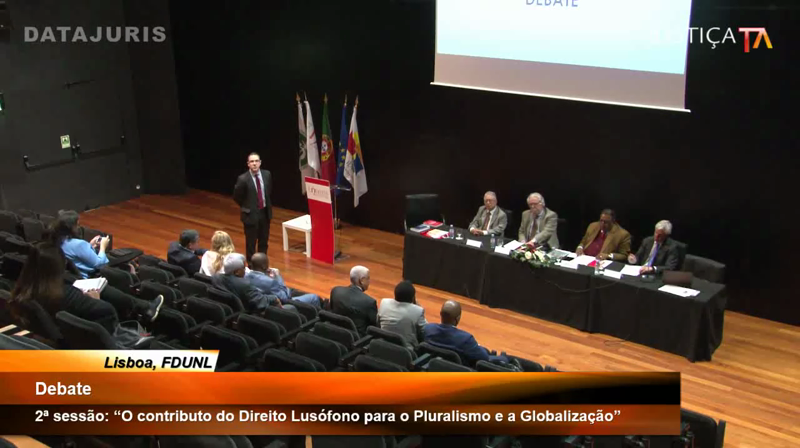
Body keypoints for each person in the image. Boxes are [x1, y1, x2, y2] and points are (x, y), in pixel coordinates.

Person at [9, 242, 163, 348]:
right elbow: (106, 312)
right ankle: (145, 309)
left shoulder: (23, 290)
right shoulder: (62, 294)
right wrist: (95, 300)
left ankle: (144, 308)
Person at [423, 300, 507, 366]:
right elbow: (484, 358)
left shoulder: (428, 329)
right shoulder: (465, 339)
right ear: (458, 319)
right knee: (504, 358)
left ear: (440, 314)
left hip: (435, 367)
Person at [211, 253, 290, 312]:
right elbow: (260, 301)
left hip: (229, 311)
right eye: (243, 268)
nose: (245, 269)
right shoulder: (244, 285)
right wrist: (274, 298)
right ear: (237, 272)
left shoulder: (216, 277)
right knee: (291, 308)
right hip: (250, 315)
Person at [233, 152, 272, 262]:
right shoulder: (243, 179)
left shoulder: (267, 174)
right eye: (252, 161)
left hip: (264, 213)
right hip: (250, 215)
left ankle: (262, 263)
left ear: (260, 163)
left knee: (263, 241)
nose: (254, 163)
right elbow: (237, 196)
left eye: (256, 161)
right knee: (251, 243)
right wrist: (247, 206)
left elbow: (268, 191)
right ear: (248, 164)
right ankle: (251, 265)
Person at [246, 253, 322, 308]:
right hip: (281, 304)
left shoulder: (246, 276)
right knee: (314, 297)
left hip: (266, 301)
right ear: (264, 266)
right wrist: (278, 276)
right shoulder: (270, 282)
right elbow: (285, 298)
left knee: (294, 291)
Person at [49, 210, 110, 278]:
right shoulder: (79, 244)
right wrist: (103, 247)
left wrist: (90, 245)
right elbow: (99, 264)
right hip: (90, 277)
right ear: (70, 227)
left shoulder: (56, 241)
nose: (79, 227)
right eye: (77, 225)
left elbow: (76, 255)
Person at [377, 280, 427, 350]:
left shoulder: (384, 303)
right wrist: (417, 306)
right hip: (406, 351)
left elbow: (378, 323)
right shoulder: (418, 311)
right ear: (413, 298)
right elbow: (425, 332)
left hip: (383, 346)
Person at [329, 266, 378, 337]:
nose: (369, 281)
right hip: (356, 339)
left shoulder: (336, 291)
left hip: (334, 332)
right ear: (362, 280)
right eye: (368, 278)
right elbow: (374, 328)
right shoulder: (369, 302)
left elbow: (331, 310)